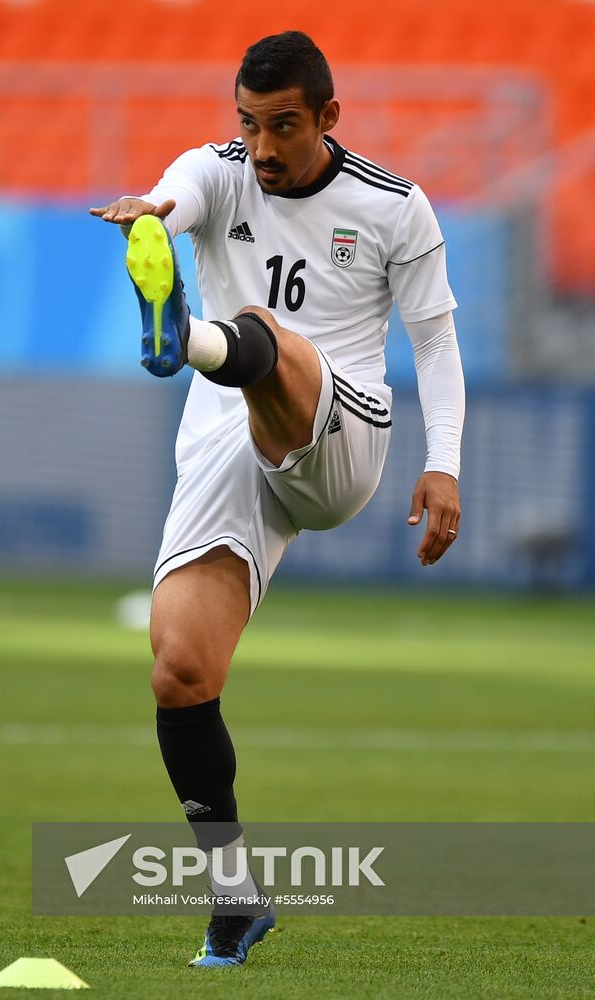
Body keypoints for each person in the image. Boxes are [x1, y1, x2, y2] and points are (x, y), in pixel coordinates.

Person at [90, 30, 464, 967]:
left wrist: (445, 461)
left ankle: (191, 341)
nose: (262, 147)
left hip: (346, 425)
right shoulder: (223, 172)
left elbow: (436, 345)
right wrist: (154, 217)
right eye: (249, 124)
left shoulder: (395, 207)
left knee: (263, 332)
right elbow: (183, 185)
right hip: (229, 439)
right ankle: (233, 896)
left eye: (284, 126)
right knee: (179, 667)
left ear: (329, 117)